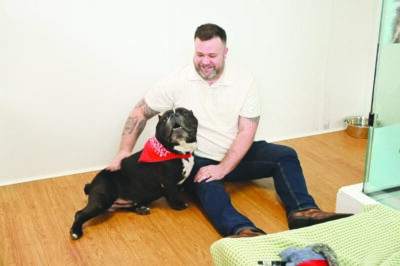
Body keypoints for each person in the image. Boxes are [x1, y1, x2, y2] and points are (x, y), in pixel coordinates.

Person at [107, 23, 351, 237]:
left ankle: (303, 211)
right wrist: (123, 151)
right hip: (196, 158)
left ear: (225, 52)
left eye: (212, 55)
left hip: (235, 154)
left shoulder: (244, 80)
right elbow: (139, 112)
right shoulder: (176, 80)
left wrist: (224, 167)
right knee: (207, 183)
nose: (205, 61)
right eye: (199, 54)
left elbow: (247, 132)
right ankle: (243, 231)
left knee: (285, 155)